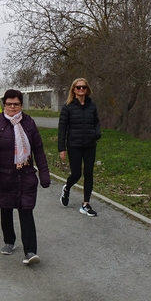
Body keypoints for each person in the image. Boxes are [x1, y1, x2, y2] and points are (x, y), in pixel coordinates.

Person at [0, 89, 50, 265]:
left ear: (21, 105)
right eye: (9, 104)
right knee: (5, 209)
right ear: (4, 105)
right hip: (3, 175)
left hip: (25, 174)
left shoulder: (29, 123)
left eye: (16, 104)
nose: (12, 107)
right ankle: (9, 240)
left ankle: (30, 251)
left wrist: (44, 174)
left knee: (26, 211)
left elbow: (39, 150)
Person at [58, 77, 102, 217]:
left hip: (90, 144)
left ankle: (86, 204)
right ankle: (67, 188)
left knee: (89, 173)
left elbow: (96, 122)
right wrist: (62, 148)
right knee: (76, 174)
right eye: (78, 87)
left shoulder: (92, 106)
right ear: (74, 90)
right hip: (74, 145)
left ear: (87, 89)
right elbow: (62, 128)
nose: (81, 89)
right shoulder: (68, 107)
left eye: (83, 87)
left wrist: (97, 133)